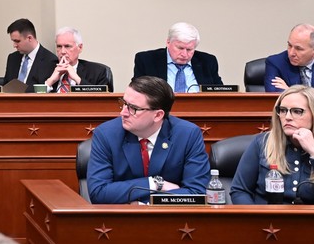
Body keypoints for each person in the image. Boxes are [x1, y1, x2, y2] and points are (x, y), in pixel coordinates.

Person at [87, 76, 210, 204]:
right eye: (123, 103)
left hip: (171, 219)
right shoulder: (107, 134)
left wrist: (145, 204)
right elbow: (98, 193)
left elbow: (197, 192)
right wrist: (154, 184)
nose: (123, 113)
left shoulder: (188, 135)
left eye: (133, 108)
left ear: (158, 115)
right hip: (122, 219)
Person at [230, 85, 314, 204]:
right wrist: (256, 220)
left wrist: (313, 151)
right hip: (266, 220)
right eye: (283, 110)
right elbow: (240, 190)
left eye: (297, 111)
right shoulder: (262, 143)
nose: (288, 117)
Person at [133, 22, 222, 93]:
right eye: (180, 48)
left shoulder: (207, 62)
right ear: (168, 42)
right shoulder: (146, 60)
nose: (184, 54)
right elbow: (136, 92)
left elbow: (220, 92)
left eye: (189, 49)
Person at [44, 27, 113, 93]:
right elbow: (34, 100)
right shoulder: (46, 69)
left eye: (67, 46)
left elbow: (102, 100)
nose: (62, 51)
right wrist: (50, 81)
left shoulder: (98, 72)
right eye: (59, 46)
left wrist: (78, 79)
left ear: (80, 47)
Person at [2, 18, 57, 92]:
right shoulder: (13, 58)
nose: (14, 45)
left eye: (17, 41)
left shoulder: (49, 60)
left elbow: (43, 92)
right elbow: (5, 86)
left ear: (29, 38)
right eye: (13, 41)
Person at [265, 24, 314, 92]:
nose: (291, 53)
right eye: (290, 45)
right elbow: (273, 96)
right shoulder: (276, 63)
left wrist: (290, 91)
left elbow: (285, 96)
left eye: (298, 49)